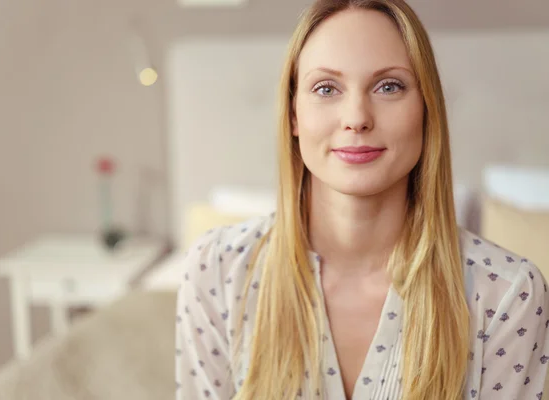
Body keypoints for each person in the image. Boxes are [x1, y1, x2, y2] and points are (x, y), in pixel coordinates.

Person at [174, 0, 549, 398]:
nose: (356, 116)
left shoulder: (507, 293)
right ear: (294, 114)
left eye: (389, 86)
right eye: (326, 88)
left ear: (426, 109)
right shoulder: (216, 271)